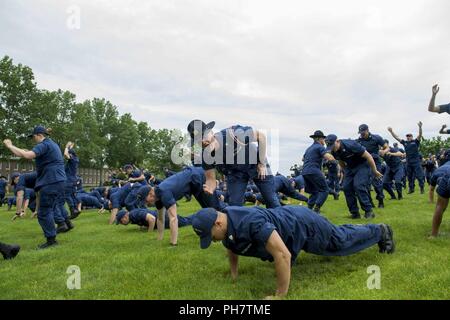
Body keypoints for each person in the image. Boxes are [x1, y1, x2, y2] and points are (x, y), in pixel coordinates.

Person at [192, 205, 395, 299]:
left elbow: (282, 255)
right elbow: (231, 247)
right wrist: (234, 273)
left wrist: (280, 295)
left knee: (339, 241)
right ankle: (365, 229)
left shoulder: (250, 223)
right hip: (290, 224)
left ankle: (380, 230)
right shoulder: (227, 223)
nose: (213, 241)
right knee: (337, 233)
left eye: (211, 237)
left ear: (218, 223)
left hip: (304, 224)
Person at [188, 120, 280, 208]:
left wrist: (262, 163)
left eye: (203, 136)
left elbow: (261, 136)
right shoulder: (206, 156)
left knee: (271, 200)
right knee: (234, 207)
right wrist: (210, 187)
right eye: (198, 140)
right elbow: (210, 179)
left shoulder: (233, 134)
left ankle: (280, 220)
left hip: (255, 164)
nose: (203, 141)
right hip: (236, 174)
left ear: (211, 132)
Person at [3, 126, 69, 249]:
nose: (33, 140)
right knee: (51, 207)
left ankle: (51, 241)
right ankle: (63, 224)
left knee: (44, 212)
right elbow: (30, 152)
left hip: (51, 181)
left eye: (33, 137)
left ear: (39, 135)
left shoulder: (44, 144)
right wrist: (23, 150)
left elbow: (27, 155)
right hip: (58, 180)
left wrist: (10, 146)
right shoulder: (51, 144)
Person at [134, 166, 226, 246]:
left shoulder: (164, 193)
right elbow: (160, 219)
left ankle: (227, 228)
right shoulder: (158, 198)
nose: (146, 204)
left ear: (150, 194)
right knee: (208, 209)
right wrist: (159, 238)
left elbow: (173, 218)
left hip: (198, 176)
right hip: (192, 182)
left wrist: (173, 243)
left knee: (213, 208)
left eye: (146, 201)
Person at [325, 134, 383, 219]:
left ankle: (368, 211)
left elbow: (368, 156)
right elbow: (341, 160)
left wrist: (374, 170)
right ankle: (355, 213)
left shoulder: (351, 145)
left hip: (362, 165)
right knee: (346, 188)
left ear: (337, 141)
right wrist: (346, 172)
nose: (332, 148)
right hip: (350, 167)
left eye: (333, 145)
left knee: (358, 185)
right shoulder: (333, 150)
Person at [301, 130, 336, 213]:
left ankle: (309, 210)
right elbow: (329, 158)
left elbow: (302, 159)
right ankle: (316, 209)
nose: (324, 141)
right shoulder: (320, 147)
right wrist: (335, 160)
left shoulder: (308, 148)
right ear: (319, 139)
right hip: (314, 170)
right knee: (325, 190)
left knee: (314, 192)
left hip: (305, 172)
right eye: (323, 139)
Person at [356, 124, 389, 209]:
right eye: (360, 133)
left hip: (375, 162)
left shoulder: (376, 138)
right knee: (365, 184)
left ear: (367, 130)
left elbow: (387, 147)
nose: (362, 134)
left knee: (376, 182)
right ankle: (370, 202)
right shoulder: (358, 141)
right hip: (364, 163)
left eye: (363, 132)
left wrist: (384, 152)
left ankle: (380, 200)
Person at [387, 122, 425, 194]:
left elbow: (420, 135)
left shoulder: (416, 142)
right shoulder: (405, 143)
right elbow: (396, 137)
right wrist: (391, 131)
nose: (408, 137)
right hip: (409, 162)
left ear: (412, 137)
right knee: (409, 177)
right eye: (407, 136)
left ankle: (422, 188)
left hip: (416, 162)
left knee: (419, 176)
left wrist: (420, 127)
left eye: (409, 136)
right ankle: (411, 189)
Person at [115, 208, 193, 231]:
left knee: (187, 222)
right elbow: (143, 220)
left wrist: (149, 232)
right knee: (186, 220)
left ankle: (201, 216)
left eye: (121, 221)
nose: (122, 224)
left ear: (125, 217)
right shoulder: (132, 216)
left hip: (165, 218)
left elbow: (152, 219)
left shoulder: (134, 215)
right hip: (163, 217)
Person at [64, 142, 81, 219]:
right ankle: (75, 210)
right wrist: (70, 147)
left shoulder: (72, 159)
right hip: (74, 180)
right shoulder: (76, 159)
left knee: (67, 195)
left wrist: (66, 147)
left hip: (69, 180)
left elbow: (65, 155)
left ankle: (73, 210)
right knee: (72, 195)